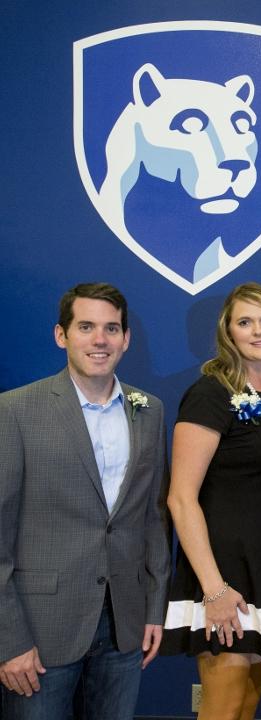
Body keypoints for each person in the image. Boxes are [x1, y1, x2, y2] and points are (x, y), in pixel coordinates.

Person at [0, 282, 170, 719]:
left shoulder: (148, 410)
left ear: (126, 339)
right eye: (87, 327)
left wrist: (153, 608)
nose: (100, 340)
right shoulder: (15, 411)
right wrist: (8, 639)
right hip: (39, 634)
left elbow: (152, 518)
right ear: (62, 335)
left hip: (124, 628)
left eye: (112, 328)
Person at [160, 282, 261, 720]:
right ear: (229, 332)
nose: (258, 331)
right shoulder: (211, 394)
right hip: (224, 574)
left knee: (246, 704)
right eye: (245, 322)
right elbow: (181, 499)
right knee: (222, 707)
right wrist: (214, 589)